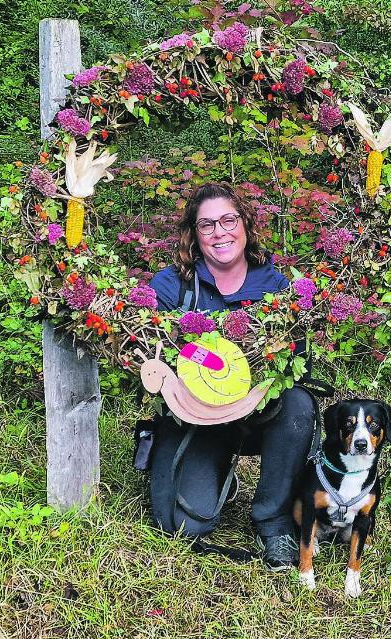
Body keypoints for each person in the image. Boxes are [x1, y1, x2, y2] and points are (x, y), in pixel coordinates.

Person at [148, 181, 317, 571]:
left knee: (298, 403)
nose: (219, 232)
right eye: (207, 225)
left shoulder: (276, 286)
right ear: (194, 234)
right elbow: (154, 346)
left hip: (259, 413)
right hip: (196, 415)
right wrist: (206, 358)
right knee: (183, 525)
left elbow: (297, 359)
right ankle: (214, 468)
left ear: (246, 224)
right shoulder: (173, 285)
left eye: (228, 220)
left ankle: (273, 520)